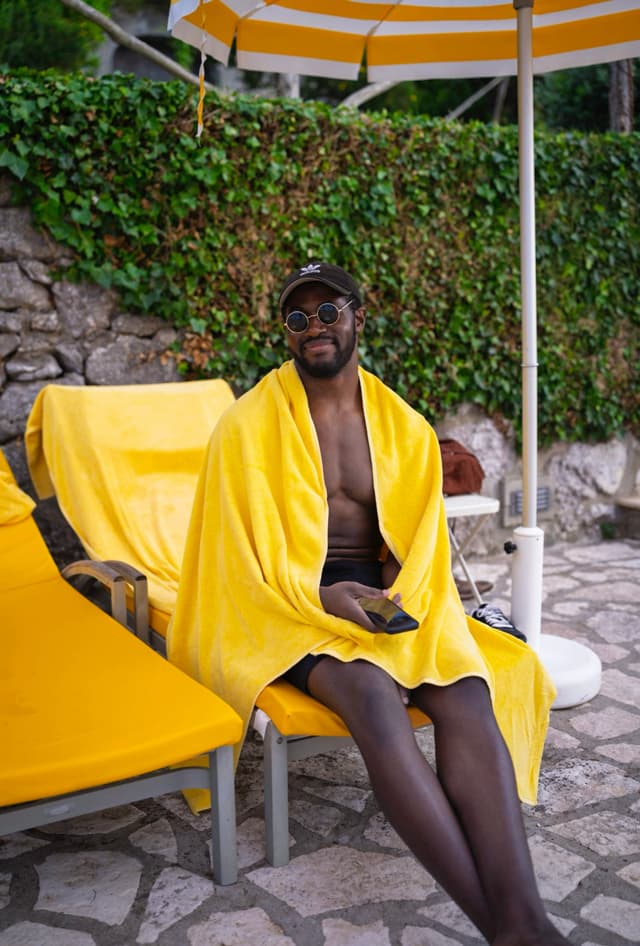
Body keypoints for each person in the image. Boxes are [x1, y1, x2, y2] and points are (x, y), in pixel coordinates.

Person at [169, 262, 566, 946]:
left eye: (328, 312)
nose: (314, 327)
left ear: (358, 316)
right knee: (375, 698)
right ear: (286, 333)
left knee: (467, 689)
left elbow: (416, 545)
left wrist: (393, 595)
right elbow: (230, 566)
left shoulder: (403, 427)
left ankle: (523, 920)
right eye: (298, 318)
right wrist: (321, 596)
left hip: (380, 597)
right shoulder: (245, 426)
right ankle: (513, 931)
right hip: (288, 608)